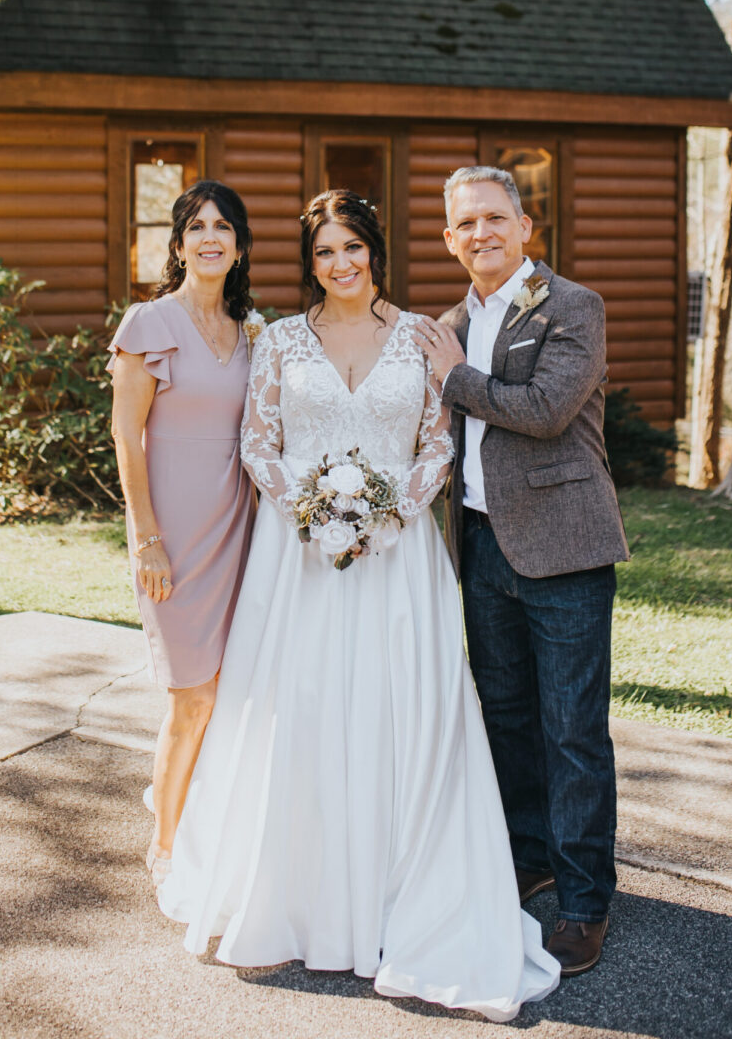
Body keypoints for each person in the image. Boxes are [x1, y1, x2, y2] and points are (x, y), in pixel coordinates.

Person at [156, 189, 560, 1022]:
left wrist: (386, 508)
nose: (340, 264)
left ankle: (394, 898)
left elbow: (439, 441)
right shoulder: (279, 342)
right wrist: (312, 507)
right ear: (309, 264)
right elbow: (256, 443)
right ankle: (297, 897)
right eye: (324, 252)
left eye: (352, 248)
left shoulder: (422, 337)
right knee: (298, 711)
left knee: (392, 711)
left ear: (375, 250)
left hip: (397, 556)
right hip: (296, 559)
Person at [414, 165, 630, 978]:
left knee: (573, 730)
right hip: (480, 546)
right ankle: (530, 856)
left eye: (495, 219)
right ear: (449, 238)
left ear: (525, 226)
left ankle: (584, 903)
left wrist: (455, 377)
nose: (482, 234)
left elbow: (544, 411)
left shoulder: (573, 307)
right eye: (465, 224)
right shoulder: (449, 323)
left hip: (565, 548)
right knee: (505, 719)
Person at [108, 180, 260, 882]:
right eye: (196, 226)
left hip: (240, 528)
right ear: (178, 245)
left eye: (222, 226)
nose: (209, 237)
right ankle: (165, 845)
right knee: (190, 693)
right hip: (173, 532)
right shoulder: (149, 323)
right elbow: (126, 436)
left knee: (227, 688)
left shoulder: (253, 332)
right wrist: (146, 537)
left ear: (238, 245)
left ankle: (200, 818)